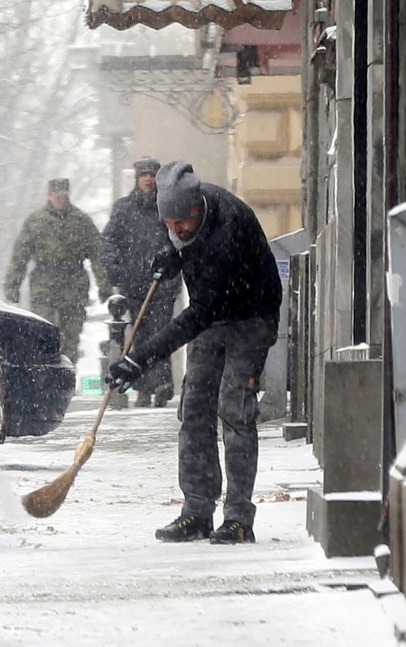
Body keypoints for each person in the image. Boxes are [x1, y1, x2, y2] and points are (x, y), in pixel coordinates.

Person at [106, 161, 282, 545]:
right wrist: (172, 253)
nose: (176, 229)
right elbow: (180, 243)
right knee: (194, 409)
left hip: (251, 317)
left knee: (234, 411)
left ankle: (238, 519)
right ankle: (197, 512)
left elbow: (199, 314)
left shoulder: (228, 228)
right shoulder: (178, 217)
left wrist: (140, 359)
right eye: (168, 224)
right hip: (212, 314)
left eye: (182, 223)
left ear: (197, 208)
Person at [100, 157, 180, 408]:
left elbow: (178, 237)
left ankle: (162, 384)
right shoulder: (124, 209)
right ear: (137, 179)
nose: (148, 179)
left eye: (152, 175)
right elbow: (108, 240)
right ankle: (144, 387)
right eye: (143, 175)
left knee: (161, 334)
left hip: (163, 284)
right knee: (139, 335)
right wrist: (113, 266)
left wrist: (171, 263)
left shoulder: (166, 207)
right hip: (133, 285)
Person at [4, 178, 112, 363]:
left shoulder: (81, 221)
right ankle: (44, 371)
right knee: (42, 332)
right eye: (57, 196)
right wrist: (12, 286)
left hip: (73, 285)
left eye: (63, 196)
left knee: (71, 337)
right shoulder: (36, 221)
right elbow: (20, 256)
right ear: (49, 196)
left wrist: (105, 286)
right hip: (44, 285)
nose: (61, 200)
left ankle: (66, 371)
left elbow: (97, 255)